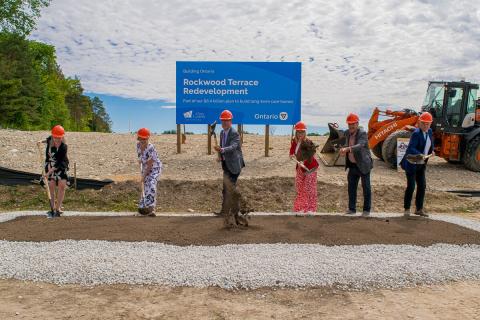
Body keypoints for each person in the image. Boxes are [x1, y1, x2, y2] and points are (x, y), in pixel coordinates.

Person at [213, 109, 246, 227]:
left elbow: (233, 146)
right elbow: (222, 147)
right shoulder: (222, 133)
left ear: (231, 121)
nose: (225, 122)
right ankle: (227, 211)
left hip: (235, 165)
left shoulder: (235, 133)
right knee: (225, 188)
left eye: (227, 120)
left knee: (229, 188)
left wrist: (222, 150)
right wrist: (220, 156)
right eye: (223, 120)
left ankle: (235, 212)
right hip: (226, 164)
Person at [400, 112, 434, 217]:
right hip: (412, 163)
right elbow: (411, 148)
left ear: (430, 124)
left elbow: (430, 143)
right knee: (411, 186)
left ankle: (419, 209)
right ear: (419, 123)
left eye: (428, 124)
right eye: (424, 123)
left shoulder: (430, 132)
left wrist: (431, 151)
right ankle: (406, 209)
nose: (426, 126)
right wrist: (420, 154)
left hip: (421, 164)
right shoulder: (416, 133)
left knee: (422, 186)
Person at [339, 113, 373, 216]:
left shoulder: (362, 133)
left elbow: (360, 145)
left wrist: (348, 149)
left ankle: (366, 210)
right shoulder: (346, 133)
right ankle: (352, 209)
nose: (351, 126)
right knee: (351, 188)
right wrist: (340, 149)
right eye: (349, 124)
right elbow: (342, 143)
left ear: (357, 123)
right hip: (352, 165)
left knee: (366, 187)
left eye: (353, 124)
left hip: (363, 165)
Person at [37, 125, 69, 218]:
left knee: (61, 185)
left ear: (62, 136)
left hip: (61, 165)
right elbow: (46, 140)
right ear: (53, 135)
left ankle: (58, 208)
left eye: (59, 138)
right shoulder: (50, 139)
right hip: (50, 164)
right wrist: (40, 142)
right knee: (51, 185)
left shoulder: (64, 147)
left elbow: (58, 162)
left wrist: (47, 174)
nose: (57, 139)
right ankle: (52, 207)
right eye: (55, 137)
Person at [289, 121, 319, 215]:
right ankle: (299, 208)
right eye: (298, 132)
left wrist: (304, 160)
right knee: (299, 187)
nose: (300, 134)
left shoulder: (308, 142)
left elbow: (310, 155)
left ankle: (310, 209)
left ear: (305, 132)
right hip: (300, 168)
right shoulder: (294, 142)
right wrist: (291, 155)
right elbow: (292, 151)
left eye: (302, 132)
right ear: (296, 132)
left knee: (309, 188)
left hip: (310, 168)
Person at [136, 127, 162, 217]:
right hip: (145, 168)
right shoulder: (138, 145)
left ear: (148, 138)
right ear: (138, 138)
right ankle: (143, 206)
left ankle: (151, 208)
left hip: (154, 168)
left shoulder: (151, 148)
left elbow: (150, 164)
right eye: (141, 138)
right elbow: (140, 157)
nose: (142, 140)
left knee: (151, 184)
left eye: (145, 139)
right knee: (145, 186)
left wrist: (143, 176)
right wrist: (140, 160)